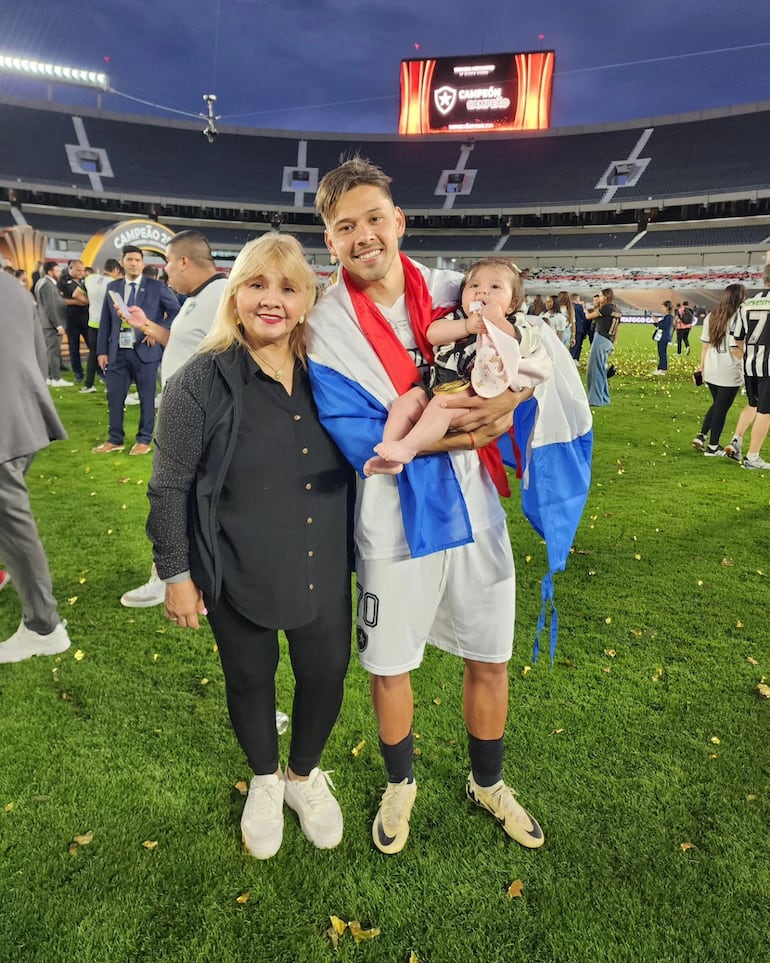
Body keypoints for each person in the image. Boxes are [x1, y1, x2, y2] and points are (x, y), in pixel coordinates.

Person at [307, 157, 545, 855]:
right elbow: (361, 440)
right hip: (391, 518)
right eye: (344, 226)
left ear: (399, 221)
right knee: (389, 665)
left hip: (474, 510)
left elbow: (528, 358)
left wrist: (512, 400)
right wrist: (482, 424)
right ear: (330, 240)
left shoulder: (457, 289)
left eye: (374, 218)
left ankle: (487, 781)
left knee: (491, 656)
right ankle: (400, 782)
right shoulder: (324, 327)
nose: (363, 235)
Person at [146, 233, 353, 859]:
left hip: (323, 563)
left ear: (306, 299)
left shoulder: (333, 376)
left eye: (288, 288)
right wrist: (176, 574)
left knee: (325, 674)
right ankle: (265, 779)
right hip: (234, 567)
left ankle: (302, 776)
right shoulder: (196, 382)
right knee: (249, 679)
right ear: (234, 296)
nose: (272, 300)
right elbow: (167, 488)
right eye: (257, 285)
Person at [119, 230, 228, 608]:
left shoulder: (220, 297)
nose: (165, 272)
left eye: (167, 263)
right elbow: (184, 345)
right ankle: (177, 572)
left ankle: (171, 576)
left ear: (184, 261)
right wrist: (146, 325)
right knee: (176, 494)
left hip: (196, 416)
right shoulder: (198, 299)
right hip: (183, 410)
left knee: (173, 494)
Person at [364, 258, 550, 475]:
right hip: (437, 380)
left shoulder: (517, 323)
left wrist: (498, 322)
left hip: (469, 388)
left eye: (495, 287)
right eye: (474, 286)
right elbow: (433, 334)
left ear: (512, 303)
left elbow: (528, 344)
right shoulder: (458, 317)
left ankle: (408, 447)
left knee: (441, 408)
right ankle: (389, 452)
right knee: (403, 404)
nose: (482, 292)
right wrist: (467, 326)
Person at [0, 271, 72, 663]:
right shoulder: (11, 284)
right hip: (24, 415)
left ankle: (44, 627)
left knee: (12, 524)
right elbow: (37, 354)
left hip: (6, 425)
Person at [93, 245, 179, 456]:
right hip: (117, 351)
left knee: (147, 397)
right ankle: (115, 439)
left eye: (137, 260)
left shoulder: (155, 286)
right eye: (129, 259)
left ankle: (144, 439)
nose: (133, 263)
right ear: (122, 262)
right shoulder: (113, 287)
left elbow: (176, 310)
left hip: (145, 350)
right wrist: (101, 350)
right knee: (114, 396)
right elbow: (105, 320)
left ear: (142, 263)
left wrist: (154, 330)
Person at [691, 284, 746, 457]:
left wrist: (702, 368)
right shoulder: (738, 317)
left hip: (712, 368)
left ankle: (702, 435)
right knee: (721, 408)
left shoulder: (711, 316)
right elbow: (736, 349)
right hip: (729, 370)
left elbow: (705, 347)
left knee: (717, 405)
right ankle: (713, 447)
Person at [726, 264, 770, 469]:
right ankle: (753, 458)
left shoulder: (748, 304)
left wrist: (749, 355)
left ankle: (737, 440)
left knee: (753, 405)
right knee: (765, 411)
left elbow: (737, 338)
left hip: (751, 365)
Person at [81, 259, 123, 394]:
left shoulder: (90, 278)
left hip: (92, 322)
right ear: (116, 270)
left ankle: (89, 384)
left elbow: (76, 294)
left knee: (94, 354)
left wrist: (92, 304)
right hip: (108, 324)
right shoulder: (114, 284)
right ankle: (109, 384)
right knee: (112, 354)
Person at [34, 261, 70, 388]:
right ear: (50, 272)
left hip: (47, 324)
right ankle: (56, 378)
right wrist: (58, 325)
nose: (60, 273)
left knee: (50, 351)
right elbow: (50, 307)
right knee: (53, 352)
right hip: (51, 325)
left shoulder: (42, 282)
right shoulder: (47, 285)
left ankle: (49, 377)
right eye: (57, 270)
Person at [584, 288, 621, 406]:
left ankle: (595, 399)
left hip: (601, 337)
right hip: (608, 340)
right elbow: (617, 329)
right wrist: (613, 343)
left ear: (606, 297)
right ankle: (604, 398)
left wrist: (584, 309)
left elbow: (589, 317)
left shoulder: (605, 308)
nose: (599, 298)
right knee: (601, 369)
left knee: (594, 369)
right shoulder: (617, 309)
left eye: (600, 296)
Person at [59, 258, 90, 383]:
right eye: (78, 270)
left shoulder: (86, 281)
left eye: (82, 270)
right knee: (74, 347)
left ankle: (99, 370)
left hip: (86, 318)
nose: (81, 272)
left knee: (92, 345)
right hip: (72, 319)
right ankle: (78, 373)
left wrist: (81, 301)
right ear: (70, 268)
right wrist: (81, 301)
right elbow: (62, 301)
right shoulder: (62, 282)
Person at [652, 300, 675, 375]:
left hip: (664, 337)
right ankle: (661, 368)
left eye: (663, 307)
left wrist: (657, 322)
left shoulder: (669, 317)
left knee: (662, 353)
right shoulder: (667, 317)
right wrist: (656, 322)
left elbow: (665, 326)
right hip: (662, 337)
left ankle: (662, 369)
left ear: (667, 307)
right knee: (661, 353)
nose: (662, 308)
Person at [570, 293, 589, 362]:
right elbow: (584, 317)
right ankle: (575, 359)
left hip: (569, 328)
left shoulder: (568, 306)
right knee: (577, 345)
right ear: (577, 299)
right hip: (578, 328)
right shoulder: (579, 306)